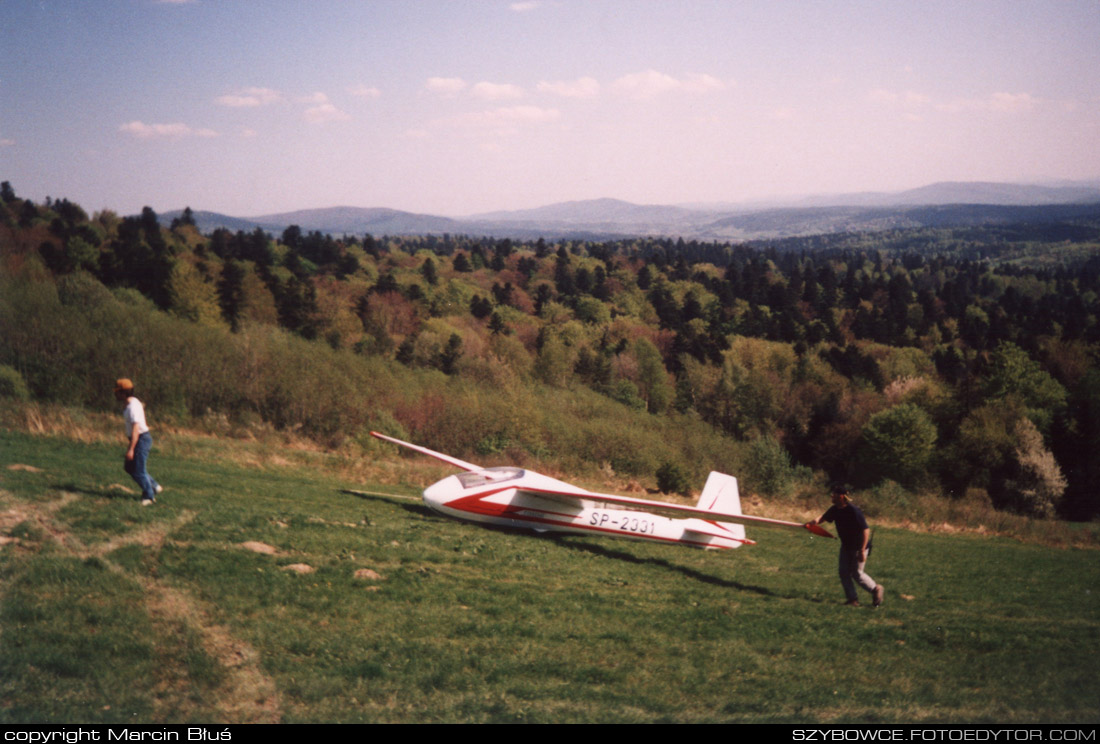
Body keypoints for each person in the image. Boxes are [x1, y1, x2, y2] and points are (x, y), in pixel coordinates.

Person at [806, 483, 883, 607]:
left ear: (841, 496)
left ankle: (876, 589)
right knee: (843, 572)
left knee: (857, 573)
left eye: (834, 494)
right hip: (846, 546)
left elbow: (866, 530)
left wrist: (862, 550)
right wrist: (814, 522)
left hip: (859, 547)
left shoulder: (854, 511)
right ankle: (852, 600)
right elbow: (824, 517)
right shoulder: (835, 509)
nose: (832, 496)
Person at [114, 378, 162, 505]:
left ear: (124, 393)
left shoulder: (132, 407)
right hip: (138, 438)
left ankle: (149, 496)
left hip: (141, 439)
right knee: (129, 467)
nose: (115, 395)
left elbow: (136, 429)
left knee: (138, 471)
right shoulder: (131, 403)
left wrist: (131, 449)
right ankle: (154, 486)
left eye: (117, 392)